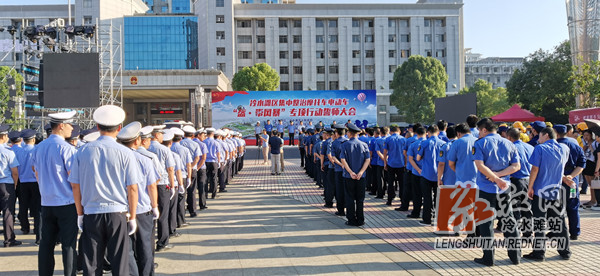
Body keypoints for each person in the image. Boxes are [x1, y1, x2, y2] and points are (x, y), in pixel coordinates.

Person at [69, 105, 142, 275]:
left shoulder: (82, 151)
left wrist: (80, 213)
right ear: (119, 128)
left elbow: (75, 185)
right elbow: (132, 188)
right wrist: (132, 216)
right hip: (117, 213)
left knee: (92, 263)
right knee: (120, 262)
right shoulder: (125, 152)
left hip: (91, 212)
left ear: (98, 127)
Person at [32, 111, 77, 276]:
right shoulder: (67, 148)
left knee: (46, 244)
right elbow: (74, 179)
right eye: (70, 125)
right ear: (62, 125)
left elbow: (35, 171)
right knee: (69, 245)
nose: (72, 128)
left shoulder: (39, 147)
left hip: (47, 202)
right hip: (66, 202)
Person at [471, 118, 521, 266]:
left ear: (484, 130)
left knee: (486, 223)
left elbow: (479, 166)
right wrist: (500, 178)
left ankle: (488, 258)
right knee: (509, 221)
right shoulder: (509, 143)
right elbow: (516, 166)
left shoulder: (480, 144)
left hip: (486, 189)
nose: (479, 133)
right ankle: (515, 256)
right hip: (504, 188)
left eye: (479, 130)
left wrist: (494, 178)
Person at [117, 123, 160, 276]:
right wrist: (155, 206)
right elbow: (152, 186)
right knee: (145, 247)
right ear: (137, 141)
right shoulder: (144, 159)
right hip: (142, 209)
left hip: (121, 210)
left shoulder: (116, 158)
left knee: (126, 250)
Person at [525, 127, 572, 261]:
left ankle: (539, 253)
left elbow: (534, 169)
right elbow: (560, 167)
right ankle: (565, 251)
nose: (538, 138)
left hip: (540, 191)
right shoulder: (564, 148)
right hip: (556, 191)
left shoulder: (539, 149)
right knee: (560, 222)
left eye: (539, 135)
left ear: (546, 135)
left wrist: (530, 187)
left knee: (540, 223)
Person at [148, 125, 176, 252]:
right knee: (163, 214)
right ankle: (162, 242)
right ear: (156, 135)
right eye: (161, 134)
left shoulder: (145, 148)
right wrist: (173, 184)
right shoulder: (164, 149)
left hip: (148, 185)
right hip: (163, 184)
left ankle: (149, 243)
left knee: (151, 213)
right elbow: (170, 169)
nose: (163, 137)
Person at [555, 124, 586, 240]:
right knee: (573, 206)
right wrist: (571, 176)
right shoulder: (575, 145)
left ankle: (558, 232)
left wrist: (564, 177)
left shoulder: (555, 146)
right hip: (573, 181)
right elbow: (582, 164)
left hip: (558, 181)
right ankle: (575, 232)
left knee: (558, 207)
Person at [340, 123, 370, 226]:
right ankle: (360, 219)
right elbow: (367, 159)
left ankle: (351, 219)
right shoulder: (364, 145)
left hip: (349, 176)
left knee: (350, 198)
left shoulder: (344, 145)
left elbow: (343, 159)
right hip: (361, 176)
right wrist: (361, 172)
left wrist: (350, 172)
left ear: (349, 133)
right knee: (360, 199)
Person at [506, 127, 534, 235]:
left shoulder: (511, 148)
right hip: (529, 179)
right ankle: (528, 232)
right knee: (527, 207)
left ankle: (516, 232)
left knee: (515, 207)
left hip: (516, 180)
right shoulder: (530, 147)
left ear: (509, 137)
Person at [416, 125, 445, 226]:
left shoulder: (424, 143)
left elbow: (418, 158)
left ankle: (427, 219)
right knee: (439, 198)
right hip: (440, 175)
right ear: (438, 132)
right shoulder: (443, 144)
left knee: (427, 197)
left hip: (426, 174)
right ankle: (438, 219)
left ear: (428, 132)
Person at [15, 129, 40, 244]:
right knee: (36, 207)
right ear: (33, 139)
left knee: (23, 205)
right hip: (35, 181)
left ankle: (25, 227)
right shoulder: (36, 150)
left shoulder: (19, 151)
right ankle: (36, 228)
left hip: (23, 181)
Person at [0, 125, 20, 248]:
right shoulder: (8, 152)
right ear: (3, 136)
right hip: (6, 184)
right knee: (8, 212)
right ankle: (9, 239)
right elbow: (15, 172)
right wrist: (15, 184)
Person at [181, 125, 201, 217]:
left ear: (183, 134)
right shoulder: (195, 144)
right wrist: (192, 167)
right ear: (192, 135)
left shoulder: (180, 143)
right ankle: (192, 210)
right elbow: (197, 158)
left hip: (181, 170)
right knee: (192, 191)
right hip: (192, 169)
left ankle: (181, 211)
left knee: (182, 192)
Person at [329, 124, 348, 216]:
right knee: (348, 190)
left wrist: (341, 164)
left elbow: (333, 157)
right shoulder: (348, 142)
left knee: (339, 190)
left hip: (339, 170)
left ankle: (341, 210)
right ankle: (349, 208)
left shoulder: (335, 143)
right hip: (349, 171)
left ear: (336, 133)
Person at [406, 126, 426, 219]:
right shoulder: (430, 143)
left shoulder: (413, 144)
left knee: (417, 194)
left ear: (416, 134)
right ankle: (429, 213)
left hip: (416, 172)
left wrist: (417, 169)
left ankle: (416, 212)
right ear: (426, 133)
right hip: (429, 173)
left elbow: (410, 159)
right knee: (428, 195)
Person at [384, 126, 405, 206]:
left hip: (391, 164)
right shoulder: (403, 139)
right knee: (401, 183)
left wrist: (385, 163)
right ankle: (402, 200)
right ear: (399, 131)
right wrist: (405, 163)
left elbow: (385, 152)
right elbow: (405, 153)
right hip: (401, 164)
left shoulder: (388, 139)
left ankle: (389, 200)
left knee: (390, 182)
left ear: (391, 131)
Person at [582, 129, 597, 205]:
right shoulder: (585, 144)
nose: (586, 137)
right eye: (584, 135)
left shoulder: (595, 143)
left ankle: (594, 200)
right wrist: (583, 149)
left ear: (591, 135)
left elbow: (596, 154)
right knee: (589, 183)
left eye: (587, 135)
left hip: (592, 163)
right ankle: (592, 199)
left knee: (593, 183)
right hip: (586, 163)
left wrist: (591, 149)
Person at [321, 128, 334, 208]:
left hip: (327, 164)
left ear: (327, 134)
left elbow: (323, 154)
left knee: (327, 183)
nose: (323, 135)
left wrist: (321, 164)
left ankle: (328, 199)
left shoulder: (326, 143)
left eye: (324, 134)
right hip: (337, 165)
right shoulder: (335, 142)